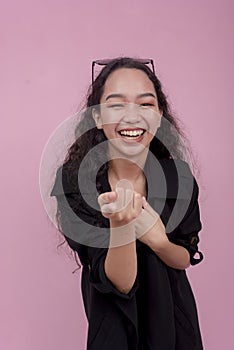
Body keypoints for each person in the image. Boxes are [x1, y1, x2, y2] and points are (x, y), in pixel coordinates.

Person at [50, 57, 204, 350]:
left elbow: (185, 256)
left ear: (159, 116)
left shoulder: (179, 178)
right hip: (113, 330)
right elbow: (119, 284)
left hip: (176, 329)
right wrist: (120, 225)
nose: (132, 116)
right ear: (97, 117)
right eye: (116, 104)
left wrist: (160, 242)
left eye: (145, 104)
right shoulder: (76, 183)